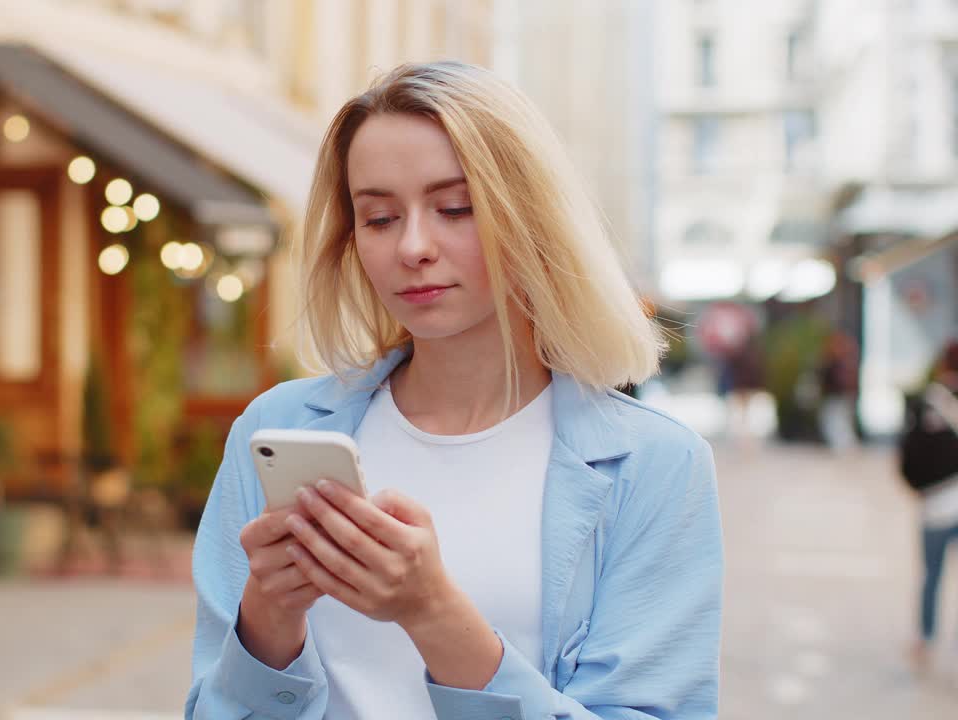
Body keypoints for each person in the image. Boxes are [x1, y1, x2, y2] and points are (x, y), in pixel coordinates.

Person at [185, 62, 723, 719]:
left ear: (532, 219)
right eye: (379, 217)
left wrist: (434, 612)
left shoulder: (656, 466)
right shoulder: (278, 429)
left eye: (455, 208)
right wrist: (268, 621)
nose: (414, 246)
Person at [906, 340, 958, 672]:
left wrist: (920, 489)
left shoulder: (928, 403)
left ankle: (925, 638)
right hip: (940, 504)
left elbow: (909, 458)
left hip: (936, 506)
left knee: (932, 575)